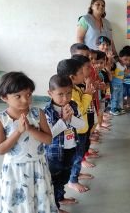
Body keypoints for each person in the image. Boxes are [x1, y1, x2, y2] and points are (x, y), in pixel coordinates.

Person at [0, 72, 58, 212]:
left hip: (37, 167)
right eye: (18, 96)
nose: (25, 100)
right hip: (14, 170)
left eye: (28, 94)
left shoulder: (37, 113)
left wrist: (30, 129)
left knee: (39, 200)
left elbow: (48, 139)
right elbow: (0, 149)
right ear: (5, 97)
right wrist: (19, 131)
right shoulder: (0, 119)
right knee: (16, 203)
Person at [44, 75, 86, 213]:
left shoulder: (72, 105)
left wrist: (71, 118)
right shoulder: (47, 112)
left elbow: (81, 125)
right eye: (60, 94)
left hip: (71, 149)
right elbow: (49, 134)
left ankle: (60, 198)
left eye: (68, 93)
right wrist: (63, 120)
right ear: (50, 93)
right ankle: (54, 207)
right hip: (54, 154)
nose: (65, 98)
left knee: (64, 177)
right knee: (54, 181)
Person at [57, 59, 93, 193]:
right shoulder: (70, 94)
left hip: (81, 129)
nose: (84, 75)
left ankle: (75, 175)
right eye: (81, 72)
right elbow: (80, 110)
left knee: (79, 156)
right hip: (77, 132)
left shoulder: (76, 88)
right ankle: (73, 180)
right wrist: (88, 94)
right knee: (77, 157)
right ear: (72, 77)